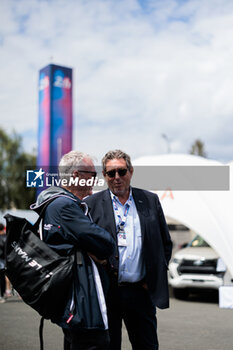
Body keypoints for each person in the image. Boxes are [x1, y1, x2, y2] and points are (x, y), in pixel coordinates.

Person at [85, 149, 173, 350]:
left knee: (147, 346)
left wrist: (153, 276)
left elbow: (164, 243)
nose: (117, 177)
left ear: (131, 172)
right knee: (107, 346)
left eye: (121, 172)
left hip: (140, 292)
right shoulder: (91, 205)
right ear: (105, 176)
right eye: (111, 173)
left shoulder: (150, 200)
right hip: (107, 292)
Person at [31, 151, 116, 350]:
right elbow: (106, 243)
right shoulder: (64, 206)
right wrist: (97, 249)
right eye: (93, 175)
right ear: (77, 176)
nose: (96, 179)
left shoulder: (59, 204)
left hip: (76, 301)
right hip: (82, 304)